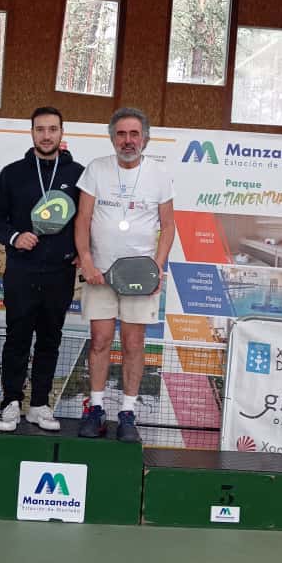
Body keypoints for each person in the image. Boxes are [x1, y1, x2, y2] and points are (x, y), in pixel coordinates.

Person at [74, 107, 174, 442]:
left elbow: (168, 226)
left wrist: (157, 267)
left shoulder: (159, 174)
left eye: (134, 134)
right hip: (99, 275)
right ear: (112, 138)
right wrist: (87, 261)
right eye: (121, 134)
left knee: (133, 344)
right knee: (100, 341)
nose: (127, 140)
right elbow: (82, 219)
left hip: (140, 278)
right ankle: (96, 408)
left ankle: (128, 413)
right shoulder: (96, 169)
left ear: (145, 138)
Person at [0, 107, 83, 432]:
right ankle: (10, 402)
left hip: (60, 272)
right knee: (17, 338)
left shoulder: (79, 175)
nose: (46, 135)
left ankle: (40, 404)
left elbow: (89, 219)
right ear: (31, 133)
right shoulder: (13, 173)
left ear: (61, 132)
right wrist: (15, 237)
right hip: (21, 271)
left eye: (52, 129)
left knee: (50, 340)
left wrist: (81, 251)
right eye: (40, 129)